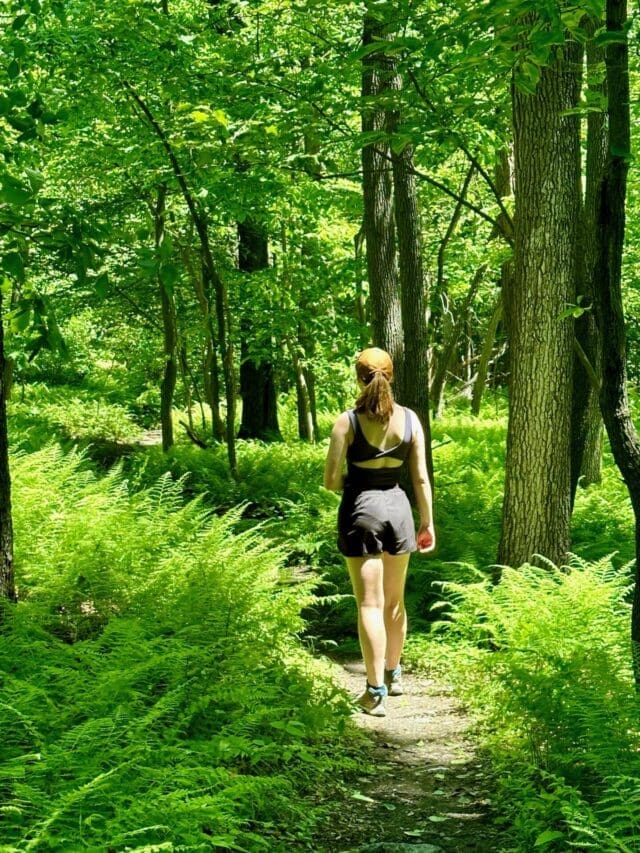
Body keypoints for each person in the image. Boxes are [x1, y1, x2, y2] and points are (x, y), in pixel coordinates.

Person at [323, 347, 436, 717]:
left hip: (362, 511)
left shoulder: (348, 422)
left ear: (359, 377)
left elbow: (330, 481)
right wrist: (427, 522)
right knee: (394, 601)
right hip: (400, 510)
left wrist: (357, 482)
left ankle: (375, 692)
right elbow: (419, 477)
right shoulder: (411, 419)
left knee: (368, 603)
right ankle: (394, 673)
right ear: (392, 375)